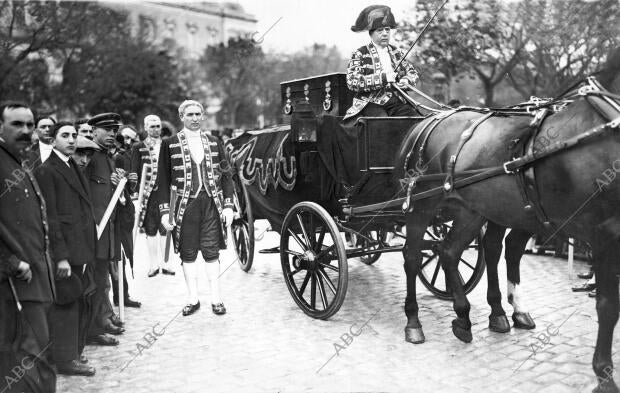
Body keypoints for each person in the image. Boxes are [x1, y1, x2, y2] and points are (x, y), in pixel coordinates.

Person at [155, 100, 234, 316]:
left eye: (198, 114)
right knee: (188, 253)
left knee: (211, 251)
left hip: (211, 204)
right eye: (190, 114)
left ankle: (216, 299)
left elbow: (227, 176)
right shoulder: (169, 143)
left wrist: (228, 206)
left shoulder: (214, 141)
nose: (195, 118)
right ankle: (193, 298)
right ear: (181, 116)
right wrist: (164, 212)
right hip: (184, 206)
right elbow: (162, 181)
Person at [0, 101, 57, 392]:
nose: (25, 131)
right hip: (13, 282)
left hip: (36, 278)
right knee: (27, 357)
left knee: (36, 354)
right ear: (1, 126)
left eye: (29, 125)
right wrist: (10, 262)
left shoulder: (21, 161)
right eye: (16, 124)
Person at [34, 122, 96, 376]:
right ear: (53, 140)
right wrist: (61, 258)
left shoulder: (70, 164)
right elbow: (51, 217)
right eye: (65, 135)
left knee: (78, 300)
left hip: (80, 248)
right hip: (65, 252)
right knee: (67, 303)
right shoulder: (48, 170)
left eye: (74, 135)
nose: (71, 140)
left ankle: (73, 352)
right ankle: (65, 359)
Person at [84, 113, 126, 346]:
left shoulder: (108, 157)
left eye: (114, 130)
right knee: (95, 278)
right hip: (93, 229)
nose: (112, 134)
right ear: (94, 131)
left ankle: (104, 317)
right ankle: (95, 326)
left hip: (107, 228)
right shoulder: (88, 155)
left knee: (103, 275)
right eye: (107, 130)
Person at [343, 5, 420, 121]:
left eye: (387, 30)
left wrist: (406, 80)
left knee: (417, 122)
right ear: (371, 34)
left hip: (397, 101)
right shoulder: (359, 54)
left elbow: (413, 73)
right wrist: (383, 78)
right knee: (381, 125)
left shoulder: (396, 52)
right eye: (380, 30)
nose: (385, 33)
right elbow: (352, 81)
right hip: (370, 103)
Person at [131, 115, 176, 278]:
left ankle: (167, 263)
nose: (155, 129)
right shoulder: (138, 147)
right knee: (150, 229)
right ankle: (153, 264)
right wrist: (135, 197)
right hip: (148, 194)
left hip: (166, 192)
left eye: (158, 126)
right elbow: (134, 172)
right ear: (145, 128)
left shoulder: (168, 145)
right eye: (152, 127)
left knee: (166, 227)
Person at [110, 126, 141, 308]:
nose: (128, 143)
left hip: (122, 212)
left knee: (120, 256)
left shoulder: (125, 156)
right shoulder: (114, 157)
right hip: (106, 213)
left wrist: (131, 182)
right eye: (125, 139)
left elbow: (130, 187)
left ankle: (122, 295)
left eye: (131, 139)